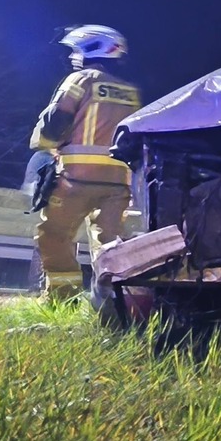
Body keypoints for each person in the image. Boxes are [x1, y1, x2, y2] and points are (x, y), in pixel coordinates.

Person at [31, 25, 140, 300]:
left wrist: (44, 146)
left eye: (75, 50)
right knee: (110, 246)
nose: (72, 57)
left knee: (54, 235)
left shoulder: (80, 80)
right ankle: (112, 303)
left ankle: (62, 299)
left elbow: (55, 124)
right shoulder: (131, 91)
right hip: (118, 184)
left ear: (91, 50)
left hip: (76, 179)